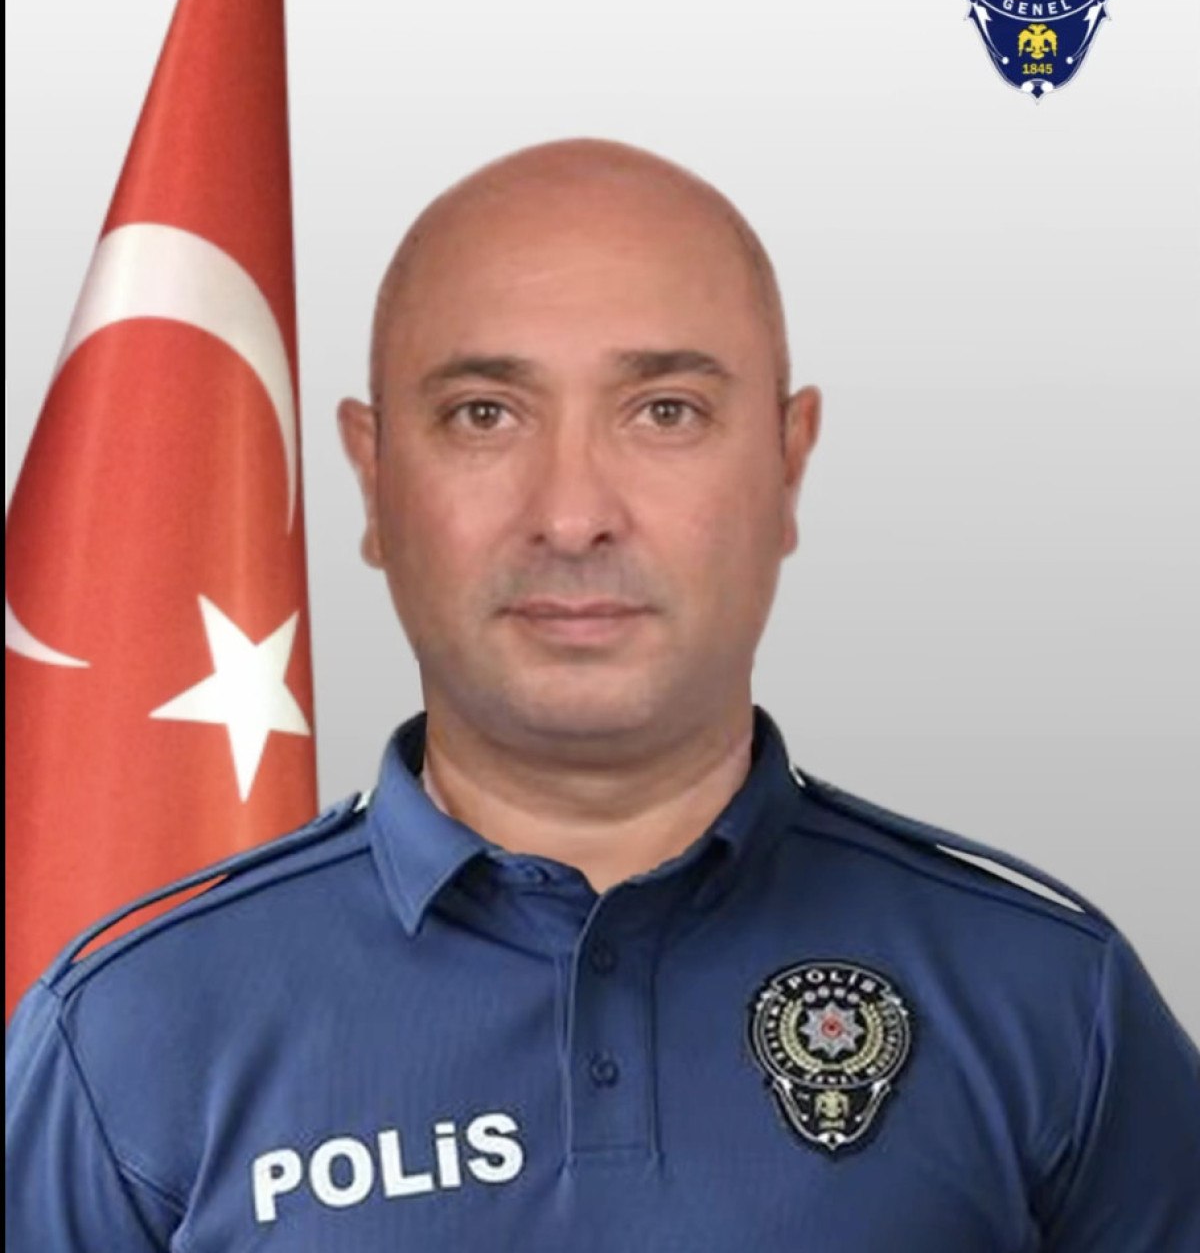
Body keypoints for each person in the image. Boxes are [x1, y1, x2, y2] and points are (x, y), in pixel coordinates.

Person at [6, 139, 1199, 1251]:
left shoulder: (1052, 1002)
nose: (573, 515)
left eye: (665, 411)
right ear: (371, 478)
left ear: (789, 463)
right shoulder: (128, 1030)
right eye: (484, 414)